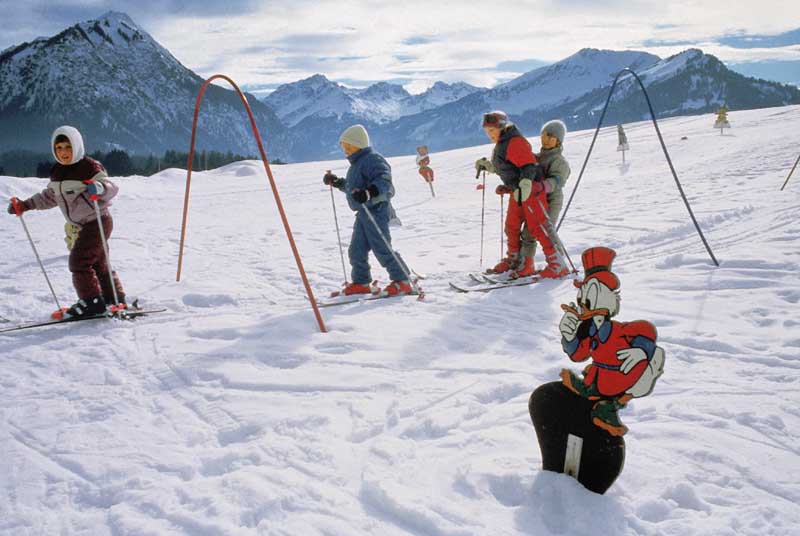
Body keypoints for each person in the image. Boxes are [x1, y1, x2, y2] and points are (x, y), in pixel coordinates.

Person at [6, 125, 126, 317]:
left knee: (79, 261)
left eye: (68, 147)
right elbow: (49, 197)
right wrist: (25, 205)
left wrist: (99, 187)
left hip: (97, 221)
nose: (63, 152)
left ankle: (91, 302)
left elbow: (111, 188)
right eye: (59, 148)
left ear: (77, 146)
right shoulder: (57, 171)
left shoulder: (90, 167)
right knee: (99, 263)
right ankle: (114, 299)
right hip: (82, 224)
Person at [474, 111, 567, 279]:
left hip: (533, 193)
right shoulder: (503, 143)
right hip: (520, 192)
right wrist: (492, 170)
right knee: (512, 226)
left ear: (501, 128)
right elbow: (510, 168)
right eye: (487, 132)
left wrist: (527, 184)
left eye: (492, 131)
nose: (490, 135)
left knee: (537, 228)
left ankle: (557, 264)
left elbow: (529, 167)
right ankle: (516, 260)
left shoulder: (514, 142)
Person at [323, 124, 413, 296]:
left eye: (348, 146)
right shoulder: (356, 163)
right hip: (363, 213)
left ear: (358, 144)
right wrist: (337, 182)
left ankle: (403, 281)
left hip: (377, 211)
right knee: (356, 250)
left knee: (382, 247)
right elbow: (355, 189)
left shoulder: (373, 159)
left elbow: (384, 180)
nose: (345, 150)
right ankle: (361, 282)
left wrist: (369, 193)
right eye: (344, 147)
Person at [517, 120, 571, 277]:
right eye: (543, 135)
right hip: (536, 200)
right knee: (528, 232)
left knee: (546, 231)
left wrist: (541, 186)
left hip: (552, 200)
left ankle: (558, 264)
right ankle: (527, 264)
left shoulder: (559, 161)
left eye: (550, 136)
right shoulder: (537, 157)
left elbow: (558, 181)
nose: (545, 139)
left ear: (558, 140)